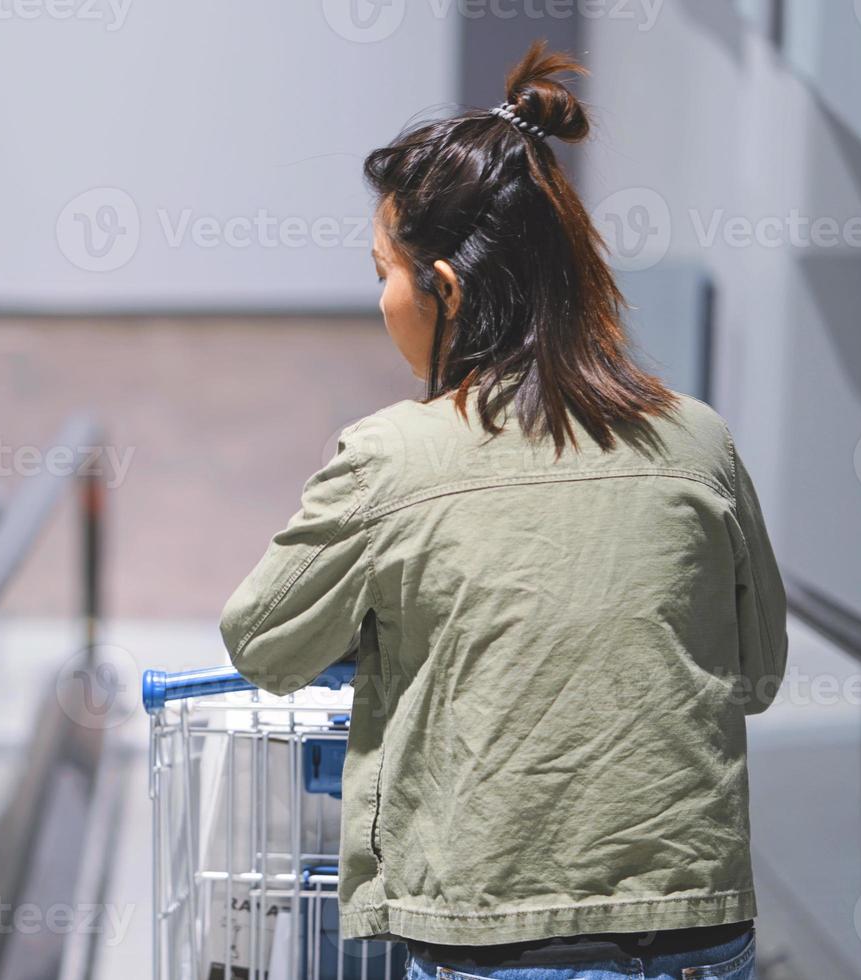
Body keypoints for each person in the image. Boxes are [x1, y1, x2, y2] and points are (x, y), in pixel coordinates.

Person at [219, 41, 787, 980]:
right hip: (698, 937)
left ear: (444, 287)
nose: (381, 303)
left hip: (486, 937)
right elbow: (755, 674)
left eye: (383, 276)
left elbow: (262, 638)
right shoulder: (700, 443)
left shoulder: (392, 458)